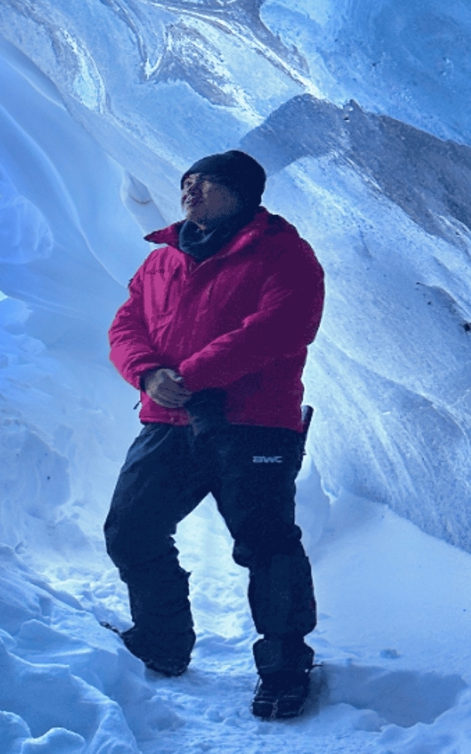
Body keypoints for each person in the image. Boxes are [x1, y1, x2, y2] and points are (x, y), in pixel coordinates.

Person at [104, 150, 325, 721]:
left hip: (251, 421)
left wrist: (191, 375)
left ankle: (285, 665)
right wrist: (149, 374)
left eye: (206, 181)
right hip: (167, 420)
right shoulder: (162, 259)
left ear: (244, 192)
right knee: (132, 529)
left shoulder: (284, 253)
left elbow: (283, 326)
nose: (190, 189)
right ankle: (162, 643)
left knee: (267, 544)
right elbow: (126, 324)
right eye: (187, 181)